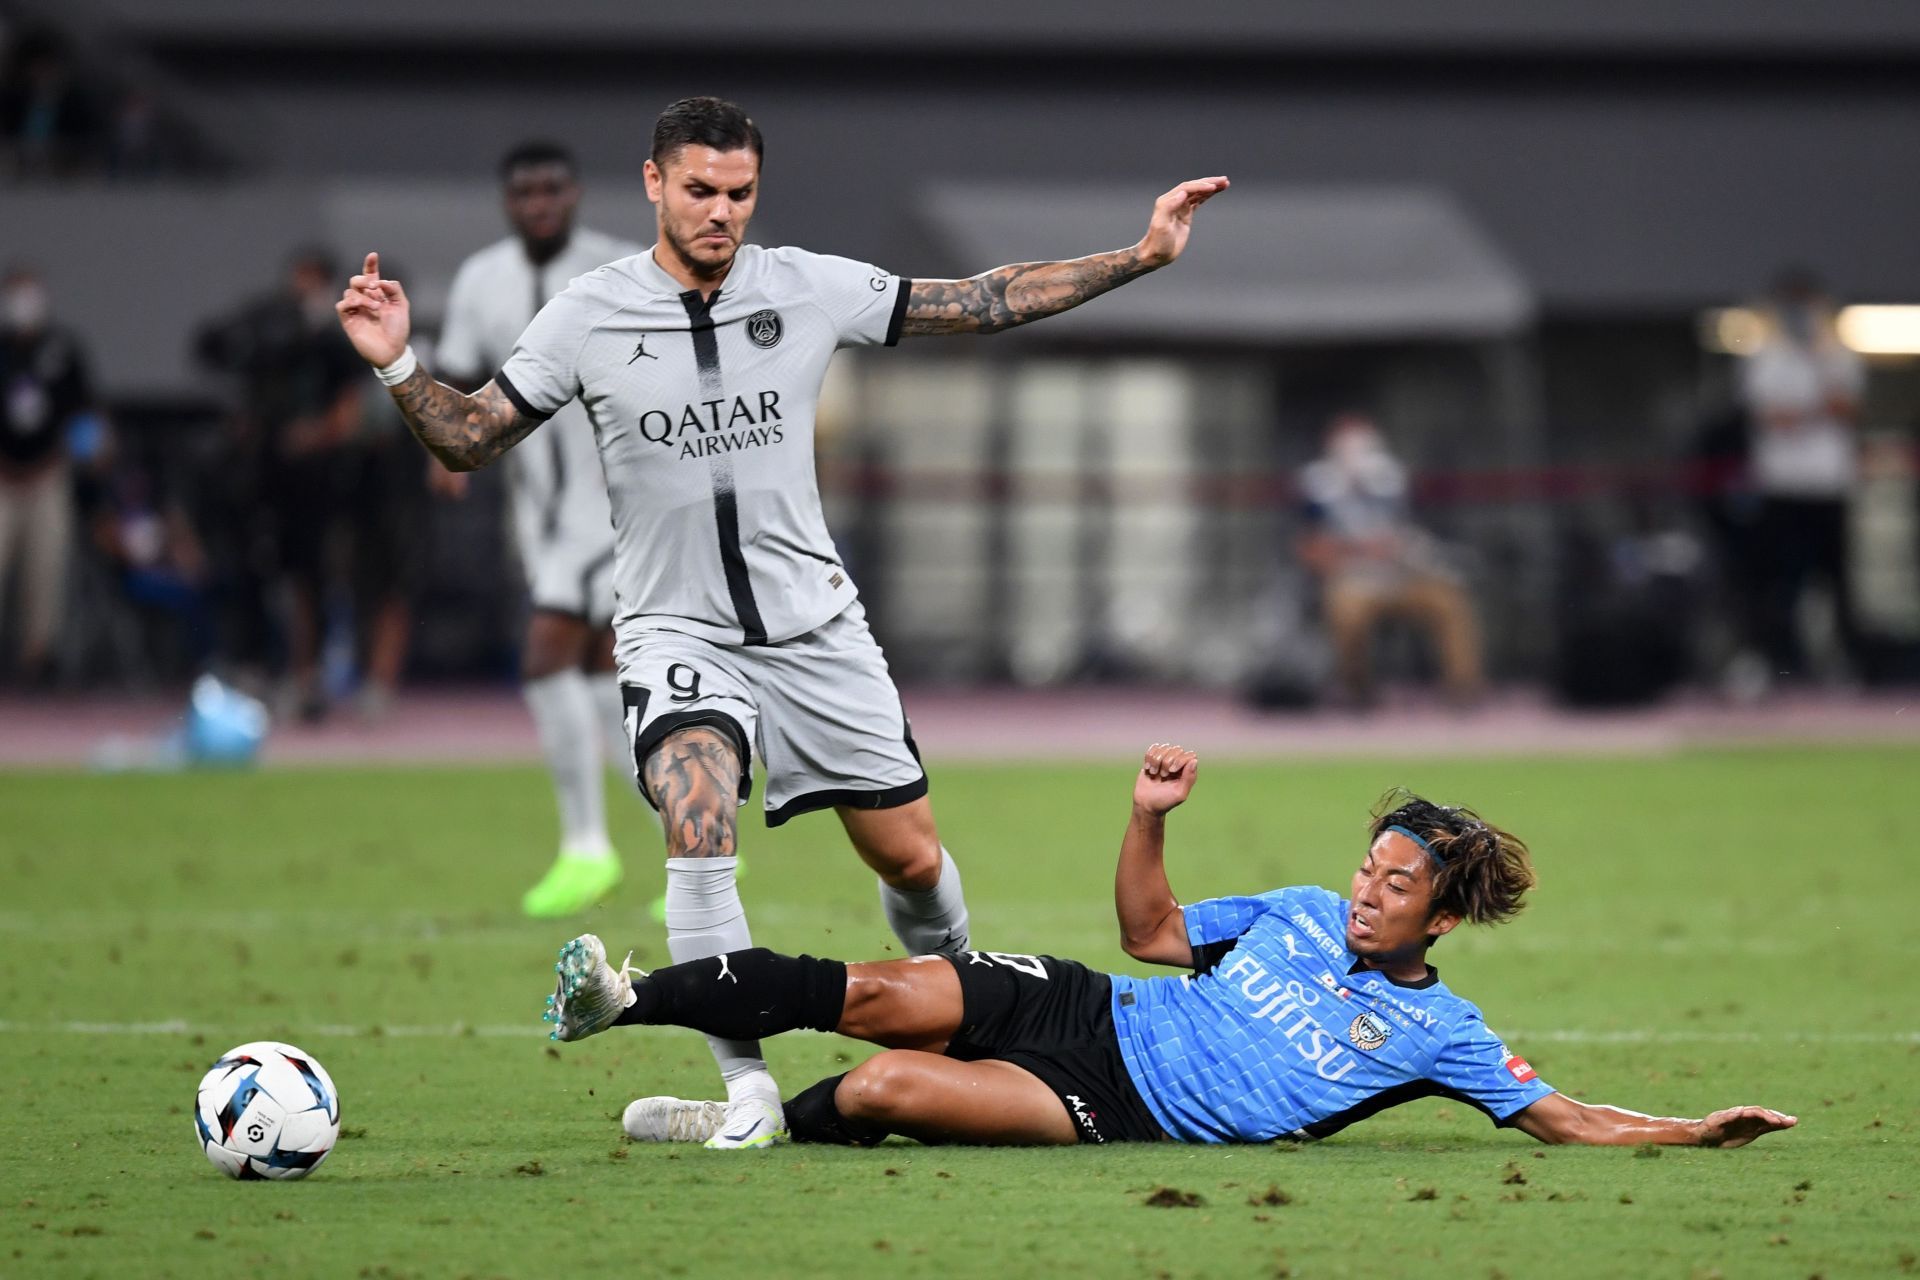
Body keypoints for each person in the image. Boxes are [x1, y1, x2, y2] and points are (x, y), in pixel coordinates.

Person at [336, 95, 1228, 1148]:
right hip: (677, 631)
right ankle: (749, 1094)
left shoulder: (804, 284)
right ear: (655, 183)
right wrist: (397, 362)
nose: (722, 211)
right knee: (696, 820)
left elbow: (981, 300)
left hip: (818, 633)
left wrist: (1142, 254)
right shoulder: (587, 312)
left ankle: (962, 1015)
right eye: (702, 189)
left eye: (741, 192)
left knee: (908, 859)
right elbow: (473, 436)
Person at [546, 743, 1798, 1152]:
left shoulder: (1444, 1034)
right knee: (869, 994)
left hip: (1111, 1103)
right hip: (1088, 1005)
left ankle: (741, 1127)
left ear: (1440, 918)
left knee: (878, 1087)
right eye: (1369, 866)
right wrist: (1148, 820)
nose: (1366, 891)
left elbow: (1567, 1117)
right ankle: (627, 995)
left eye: (1395, 883)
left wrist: (1690, 1132)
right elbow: (1149, 932)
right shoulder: (1301, 906)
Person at [433, 140, 645, 915]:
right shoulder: (480, 278)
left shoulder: (619, 267)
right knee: (597, 680)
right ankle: (688, 833)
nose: (540, 203)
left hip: (614, 499)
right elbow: (456, 374)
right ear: (507, 200)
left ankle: (586, 848)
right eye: (525, 191)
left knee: (545, 653)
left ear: (576, 192)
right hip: (538, 511)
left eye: (553, 188)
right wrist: (439, 455)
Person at [198, 246, 366, 720]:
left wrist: (315, 435)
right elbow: (215, 355)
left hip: (315, 481)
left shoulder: (335, 341)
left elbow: (348, 407)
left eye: (311, 280)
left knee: (309, 578)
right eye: (298, 278)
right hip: (262, 477)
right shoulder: (269, 333)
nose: (301, 289)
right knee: (251, 571)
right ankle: (253, 671)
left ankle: (306, 675)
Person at [1735, 268, 1869, 686]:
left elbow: (1846, 409)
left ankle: (1845, 666)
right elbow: (1775, 419)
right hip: (1783, 489)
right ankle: (1777, 666)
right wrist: (1817, 408)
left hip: (1829, 488)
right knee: (1780, 585)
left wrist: (1811, 394)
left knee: (1837, 584)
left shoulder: (1839, 354)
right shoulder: (1766, 358)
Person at [1297, 412, 1483, 708]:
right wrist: (1356, 551)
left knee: (1449, 603)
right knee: (1346, 612)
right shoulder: (1317, 487)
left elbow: (1415, 535)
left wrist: (1401, 549)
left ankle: (1463, 692)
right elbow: (1309, 549)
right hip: (1352, 580)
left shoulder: (1392, 481)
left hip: (1401, 576)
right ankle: (1357, 693)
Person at [0, 264, 95, 684]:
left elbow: (84, 414)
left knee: (47, 567)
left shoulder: (64, 347)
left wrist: (78, 458)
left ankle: (39, 660)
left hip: (48, 473)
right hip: (2, 476)